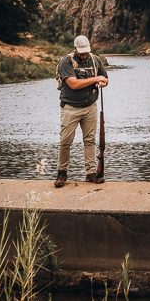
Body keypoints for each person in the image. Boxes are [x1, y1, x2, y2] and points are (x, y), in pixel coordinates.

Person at [54, 35, 108, 187]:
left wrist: (103, 82)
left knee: (90, 141)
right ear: (75, 48)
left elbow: (106, 78)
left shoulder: (95, 59)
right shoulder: (66, 61)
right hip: (70, 107)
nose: (84, 55)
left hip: (91, 107)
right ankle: (62, 173)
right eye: (81, 52)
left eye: (86, 51)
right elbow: (74, 84)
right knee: (65, 141)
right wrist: (96, 79)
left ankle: (91, 173)